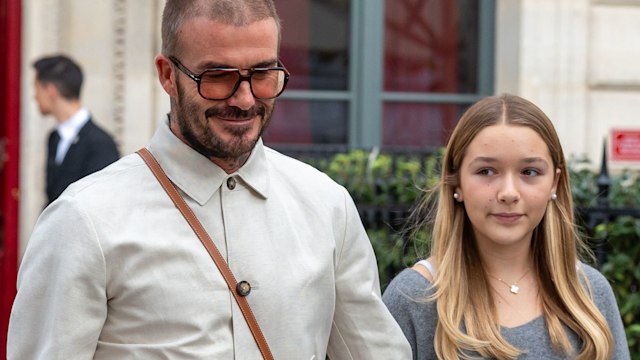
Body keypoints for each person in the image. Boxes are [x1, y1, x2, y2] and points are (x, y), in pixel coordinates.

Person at [8, 1, 411, 359]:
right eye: (217, 76)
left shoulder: (327, 206)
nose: (245, 99)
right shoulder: (83, 220)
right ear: (167, 75)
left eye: (264, 74)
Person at [382, 94, 630, 359]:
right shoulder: (414, 298)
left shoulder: (589, 294)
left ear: (554, 184)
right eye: (486, 171)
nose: (509, 193)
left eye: (529, 172)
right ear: (456, 183)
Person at [32, 54, 120, 205]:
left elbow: (101, 204)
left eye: (37, 88)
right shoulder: (53, 138)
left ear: (51, 90)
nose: (35, 96)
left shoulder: (101, 144)